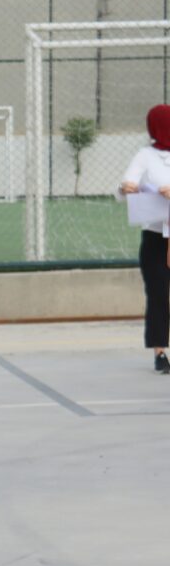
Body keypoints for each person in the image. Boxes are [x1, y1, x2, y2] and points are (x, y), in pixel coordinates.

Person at [119, 103, 170, 374]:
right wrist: (125, 188)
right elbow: (128, 183)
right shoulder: (145, 155)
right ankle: (160, 351)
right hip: (155, 236)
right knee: (158, 293)